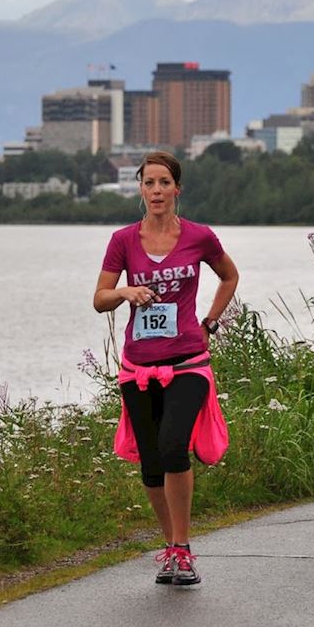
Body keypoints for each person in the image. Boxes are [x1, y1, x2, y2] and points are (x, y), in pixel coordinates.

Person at [93, 151, 239, 585]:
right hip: (137, 366)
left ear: (177, 189)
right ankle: (171, 547)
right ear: (140, 190)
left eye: (163, 183)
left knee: (174, 446)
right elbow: (99, 298)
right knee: (152, 464)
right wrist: (124, 292)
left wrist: (210, 321)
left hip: (188, 361)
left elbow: (229, 276)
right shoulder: (123, 240)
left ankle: (184, 548)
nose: (156, 191)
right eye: (148, 183)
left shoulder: (199, 237)